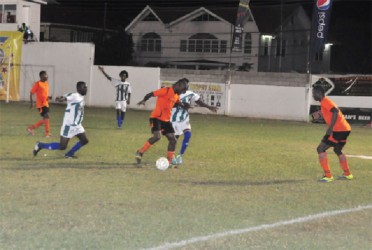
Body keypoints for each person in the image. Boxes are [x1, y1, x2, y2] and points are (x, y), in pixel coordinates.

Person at [135, 78, 189, 166]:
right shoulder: (166, 90)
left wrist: (184, 105)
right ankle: (140, 152)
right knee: (157, 137)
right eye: (183, 90)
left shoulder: (176, 95)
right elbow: (151, 94)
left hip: (166, 120)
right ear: (179, 86)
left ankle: (170, 161)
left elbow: (177, 102)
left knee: (173, 140)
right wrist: (144, 100)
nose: (182, 93)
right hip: (156, 118)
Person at [33, 81, 89, 159]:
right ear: (78, 88)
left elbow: (68, 98)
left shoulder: (80, 97)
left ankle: (69, 154)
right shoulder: (75, 96)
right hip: (69, 125)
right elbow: (65, 98)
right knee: (62, 146)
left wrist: (61, 98)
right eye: (84, 87)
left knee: (84, 140)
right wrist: (61, 98)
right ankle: (40, 145)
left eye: (86, 87)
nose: (86, 89)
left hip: (77, 125)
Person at [171, 79, 218, 165]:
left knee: (188, 134)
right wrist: (182, 105)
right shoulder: (173, 93)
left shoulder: (190, 93)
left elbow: (199, 102)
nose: (186, 86)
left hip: (184, 118)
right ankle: (172, 156)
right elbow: (170, 103)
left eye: (187, 84)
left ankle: (180, 156)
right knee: (174, 139)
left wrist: (209, 107)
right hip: (174, 119)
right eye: (185, 84)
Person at [312, 85, 353, 182]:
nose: (313, 95)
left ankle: (328, 176)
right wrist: (321, 116)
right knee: (337, 150)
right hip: (345, 129)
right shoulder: (324, 103)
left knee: (320, 148)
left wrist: (330, 128)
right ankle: (347, 174)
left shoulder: (326, 101)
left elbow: (335, 111)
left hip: (338, 130)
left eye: (314, 93)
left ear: (319, 93)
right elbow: (331, 113)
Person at [27, 71, 51, 137]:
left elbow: (44, 94)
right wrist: (31, 103)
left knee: (45, 119)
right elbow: (31, 93)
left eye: (47, 75)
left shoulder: (47, 83)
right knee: (46, 117)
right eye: (45, 76)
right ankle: (47, 133)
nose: (47, 77)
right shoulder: (37, 84)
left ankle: (31, 128)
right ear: (41, 77)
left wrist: (48, 97)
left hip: (46, 103)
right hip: (40, 105)